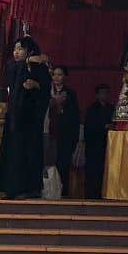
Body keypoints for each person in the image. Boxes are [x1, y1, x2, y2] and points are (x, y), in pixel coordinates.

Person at [0, 37, 48, 200]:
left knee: (30, 152)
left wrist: (36, 85)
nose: (16, 52)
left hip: (31, 120)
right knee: (13, 152)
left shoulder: (40, 69)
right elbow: (15, 80)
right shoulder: (13, 66)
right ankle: (10, 188)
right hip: (15, 118)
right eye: (15, 49)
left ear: (29, 50)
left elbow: (45, 91)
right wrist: (29, 61)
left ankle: (30, 188)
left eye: (20, 49)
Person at [46, 66, 81, 196]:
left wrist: (61, 108)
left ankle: (63, 193)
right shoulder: (47, 91)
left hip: (65, 134)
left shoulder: (71, 94)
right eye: (54, 74)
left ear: (65, 77)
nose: (56, 77)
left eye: (59, 74)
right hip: (49, 132)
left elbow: (74, 116)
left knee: (63, 165)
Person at [81, 84, 115, 201]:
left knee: (104, 171)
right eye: (102, 93)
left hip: (107, 145)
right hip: (94, 145)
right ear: (97, 95)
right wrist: (103, 126)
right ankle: (91, 195)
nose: (104, 95)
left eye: (106, 93)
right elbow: (89, 127)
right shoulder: (92, 109)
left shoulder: (112, 108)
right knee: (92, 171)